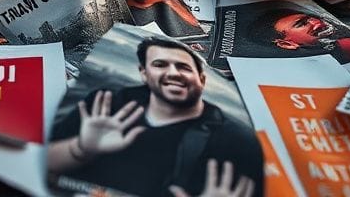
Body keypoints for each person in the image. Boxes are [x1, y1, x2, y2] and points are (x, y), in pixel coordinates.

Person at [47, 37, 263, 197]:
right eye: (160, 65)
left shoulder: (237, 142)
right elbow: (45, 165)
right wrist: (81, 148)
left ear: (202, 80)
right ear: (144, 73)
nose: (173, 73)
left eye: (183, 67)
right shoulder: (106, 104)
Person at [248, 8, 350, 63]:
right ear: (286, 44)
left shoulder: (349, 44)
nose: (316, 22)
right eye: (301, 24)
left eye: (310, 18)